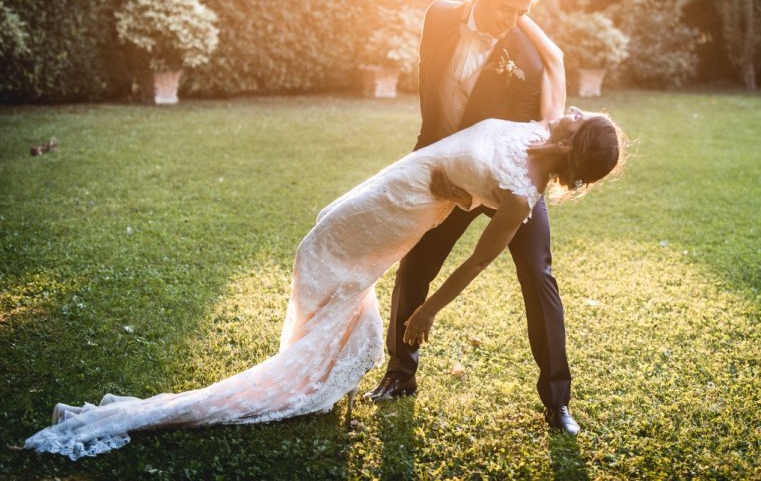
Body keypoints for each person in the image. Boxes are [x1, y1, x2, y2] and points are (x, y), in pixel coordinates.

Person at [23, 104, 623, 460]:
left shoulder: (522, 196)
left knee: (323, 256)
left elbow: (474, 262)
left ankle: (297, 373)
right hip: (391, 185)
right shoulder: (530, 130)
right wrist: (461, 188)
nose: (569, 107)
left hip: (399, 211)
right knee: (318, 243)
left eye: (577, 116)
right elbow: (470, 167)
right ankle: (309, 359)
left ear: (571, 142)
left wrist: (427, 311)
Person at [364, 0, 582, 434]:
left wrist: (480, 183)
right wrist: (437, 164)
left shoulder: (525, 57)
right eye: (508, 8)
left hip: (508, 179)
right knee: (416, 263)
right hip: (442, 165)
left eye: (524, 11)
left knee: (537, 273)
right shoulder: (438, 16)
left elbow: (536, 133)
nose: (515, 21)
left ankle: (557, 401)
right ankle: (400, 373)